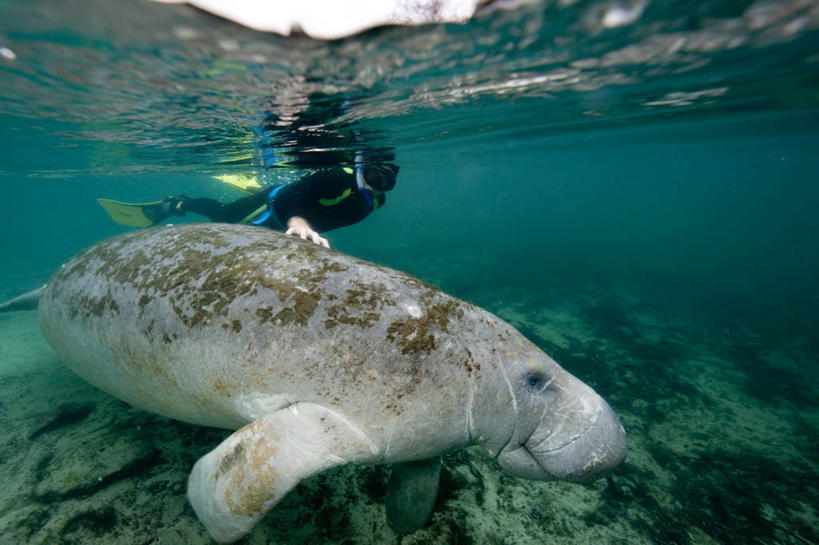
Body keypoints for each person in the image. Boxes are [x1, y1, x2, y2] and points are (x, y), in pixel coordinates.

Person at [98, 161, 398, 249]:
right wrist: (298, 222)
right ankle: (177, 203)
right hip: (276, 205)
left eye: (384, 182)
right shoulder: (334, 174)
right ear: (362, 166)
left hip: (299, 226)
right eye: (372, 176)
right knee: (223, 217)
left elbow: (337, 217)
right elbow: (292, 196)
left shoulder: (375, 201)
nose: (374, 186)